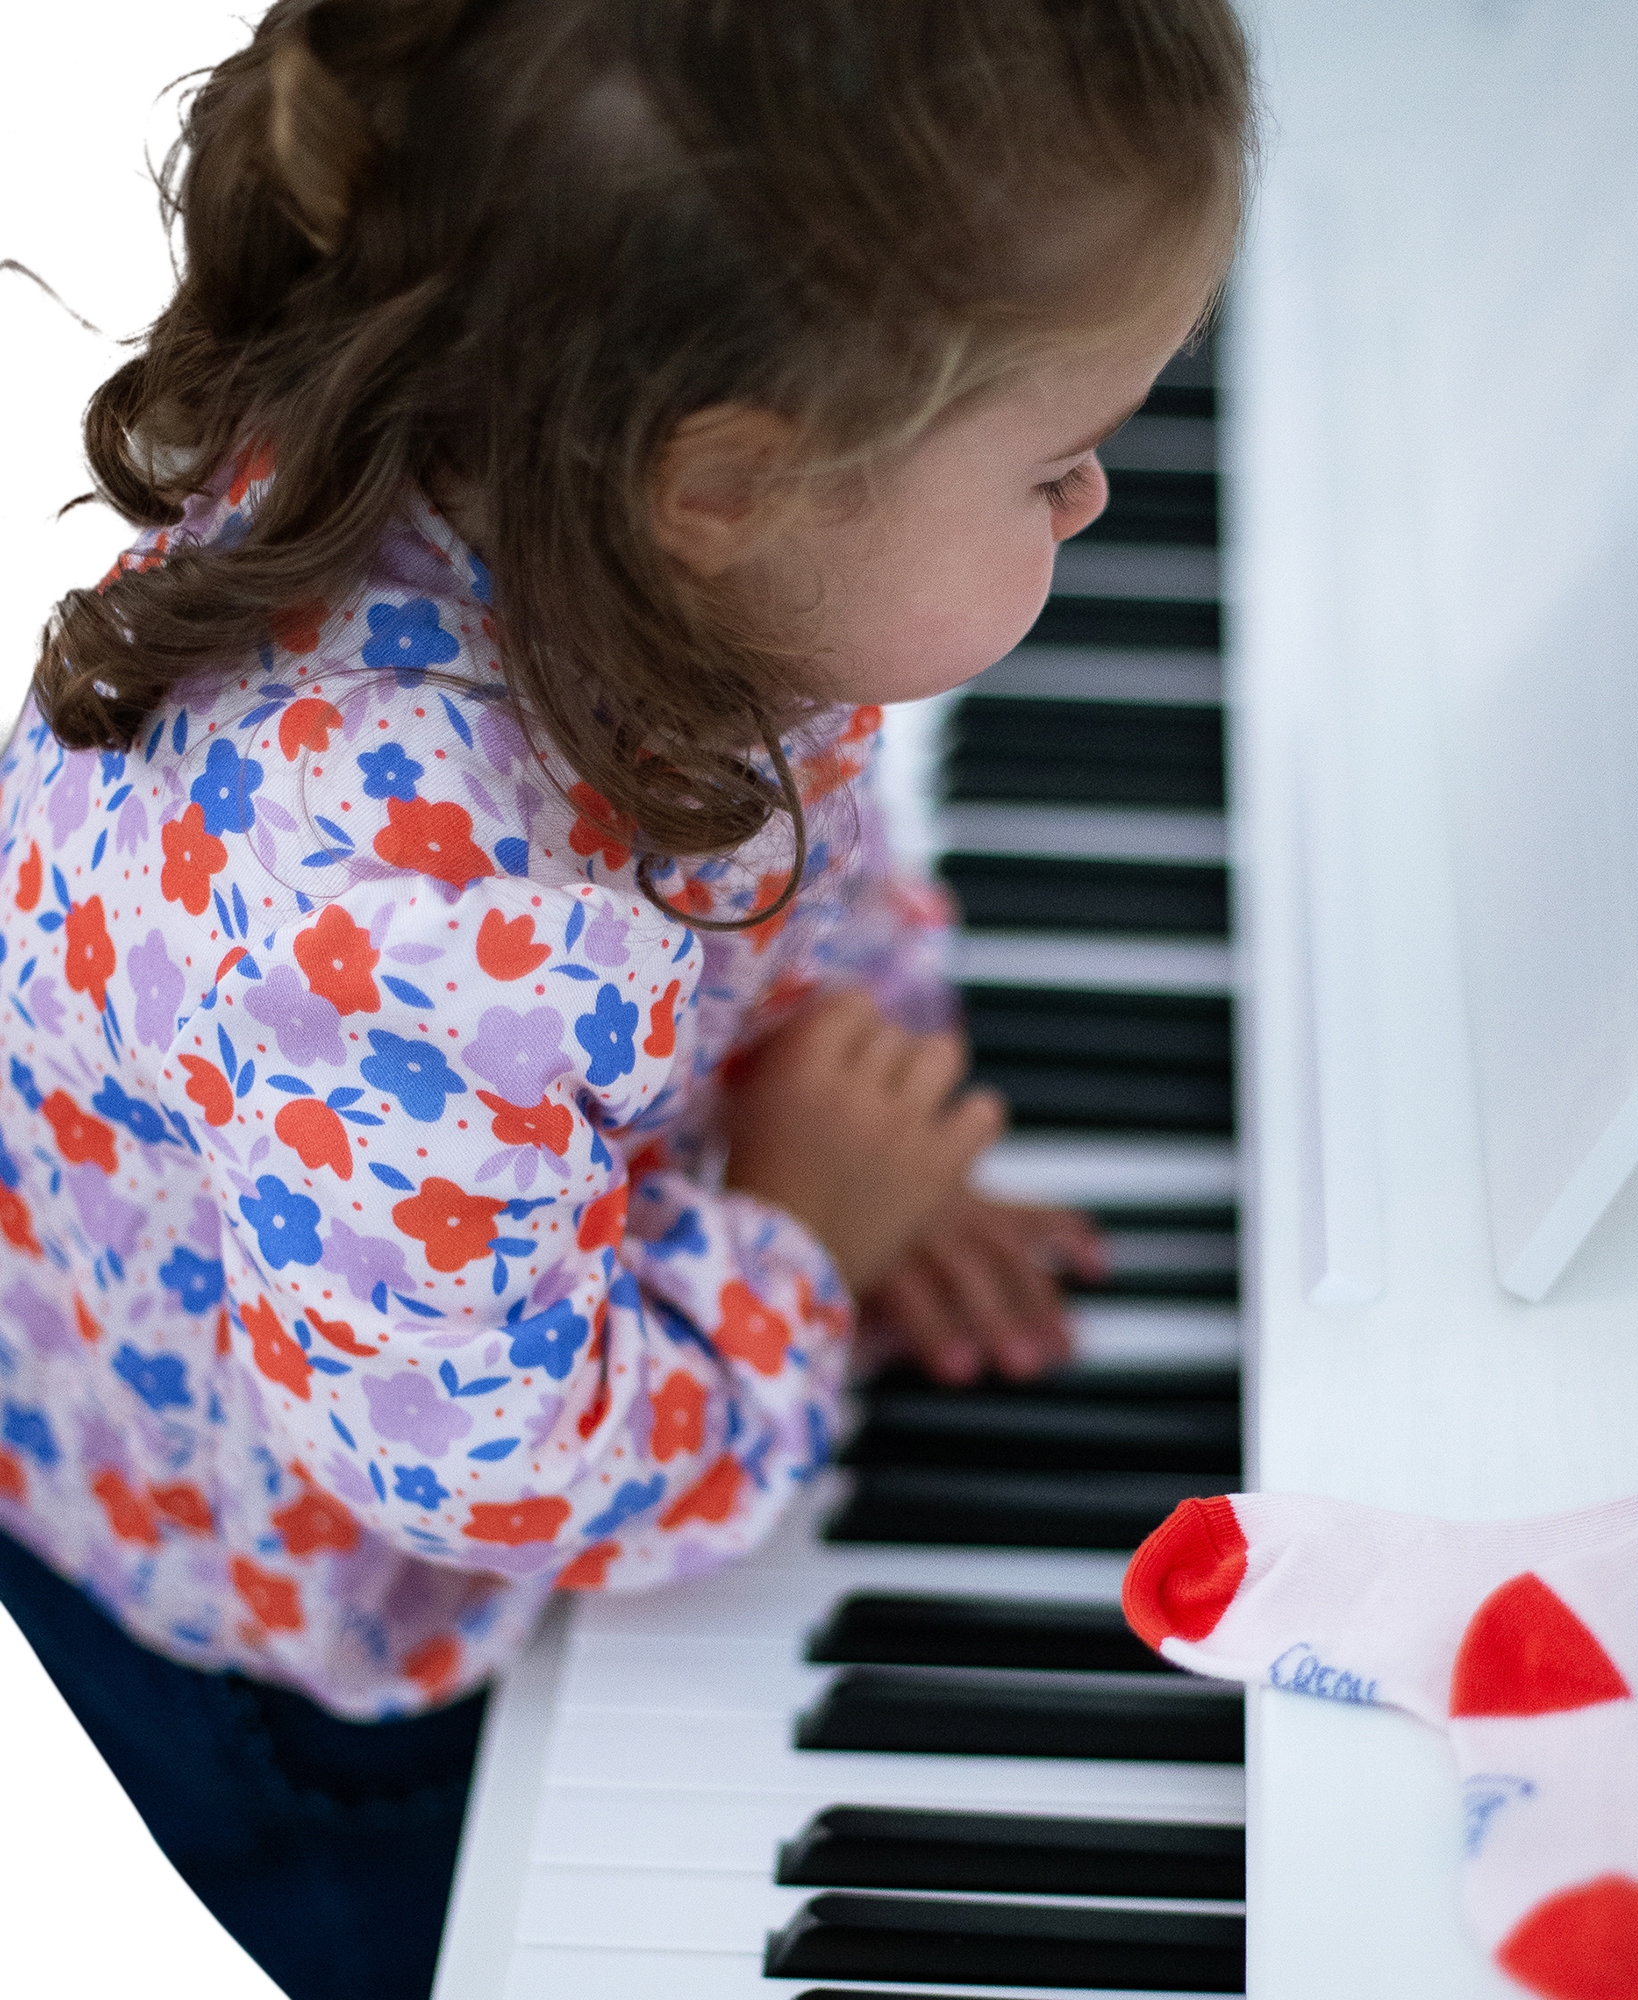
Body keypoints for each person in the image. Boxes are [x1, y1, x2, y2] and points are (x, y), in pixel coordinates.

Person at [0, 0, 1253, 1993]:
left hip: (429, 1284)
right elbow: (492, 1456)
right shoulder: (387, 929)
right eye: (1059, 462)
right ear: (728, 483)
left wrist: (863, 1108)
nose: (1096, 505)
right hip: (308, 1633)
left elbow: (799, 872)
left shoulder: (616, 505)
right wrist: (790, 1251)